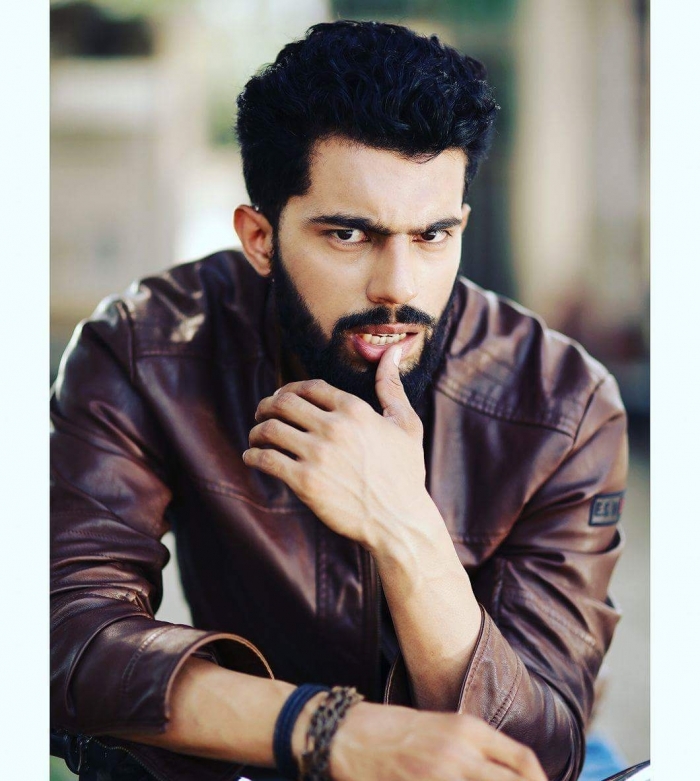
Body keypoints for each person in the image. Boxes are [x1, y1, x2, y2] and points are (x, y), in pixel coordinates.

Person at [50, 20, 627, 781]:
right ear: (260, 238)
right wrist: (328, 728)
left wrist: (405, 527)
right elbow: (62, 639)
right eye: (350, 235)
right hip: (259, 750)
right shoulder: (145, 349)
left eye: (432, 236)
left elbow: (538, 753)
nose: (399, 286)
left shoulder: (563, 405)